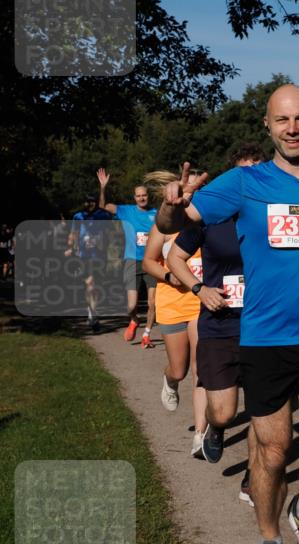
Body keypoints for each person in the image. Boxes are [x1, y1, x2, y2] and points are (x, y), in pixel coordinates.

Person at [156, 86, 299, 544]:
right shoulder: (243, 183)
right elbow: (177, 225)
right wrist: (169, 208)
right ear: (267, 125)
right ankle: (269, 542)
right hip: (265, 339)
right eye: (282, 119)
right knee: (271, 451)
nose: (292, 128)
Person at [166, 145, 266, 503]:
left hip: (263, 324)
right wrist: (199, 288)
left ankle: (254, 477)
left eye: (257, 170)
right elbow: (174, 257)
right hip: (220, 324)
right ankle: (216, 426)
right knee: (224, 412)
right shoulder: (209, 217)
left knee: (263, 411)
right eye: (242, 172)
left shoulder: (269, 213)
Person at [141, 171, 207, 457]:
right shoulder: (165, 225)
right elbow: (147, 262)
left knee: (201, 368)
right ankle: (170, 380)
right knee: (179, 369)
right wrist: (169, 276)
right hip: (172, 302)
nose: (192, 193)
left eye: (198, 188)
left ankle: (201, 434)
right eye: (187, 188)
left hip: (201, 302)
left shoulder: (209, 221)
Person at [98, 168, 157, 348]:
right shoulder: (126, 211)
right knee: (131, 306)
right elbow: (103, 207)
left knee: (153, 302)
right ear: (134, 198)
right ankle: (134, 320)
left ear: (148, 196)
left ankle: (147, 334)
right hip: (132, 261)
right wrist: (103, 188)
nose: (141, 198)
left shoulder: (156, 213)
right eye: (138, 196)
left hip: (152, 261)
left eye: (144, 195)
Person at [64, 193, 116, 332]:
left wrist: (106, 243)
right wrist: (70, 247)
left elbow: (112, 232)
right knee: (90, 284)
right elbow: (73, 233)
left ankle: (92, 312)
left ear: (95, 202)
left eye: (92, 201)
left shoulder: (103, 215)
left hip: (99, 256)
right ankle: (92, 313)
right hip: (84, 256)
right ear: (84, 203)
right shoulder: (78, 216)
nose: (89, 204)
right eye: (87, 201)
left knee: (94, 285)